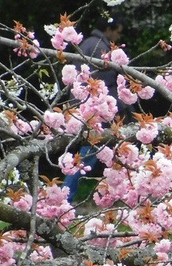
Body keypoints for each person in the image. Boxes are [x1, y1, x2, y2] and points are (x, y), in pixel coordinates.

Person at [63, 15, 125, 202]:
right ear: (109, 30)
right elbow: (103, 85)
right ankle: (64, 199)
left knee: (102, 153)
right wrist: (118, 105)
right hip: (94, 112)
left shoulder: (90, 43)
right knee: (88, 155)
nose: (118, 37)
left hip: (86, 108)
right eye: (118, 32)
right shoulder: (100, 47)